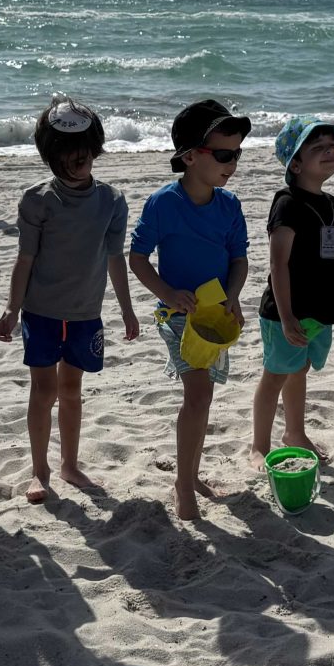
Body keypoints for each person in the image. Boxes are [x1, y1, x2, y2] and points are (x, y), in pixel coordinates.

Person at [0, 98, 141, 503]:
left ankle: (69, 464)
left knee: (72, 390)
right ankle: (40, 470)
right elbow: (25, 259)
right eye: (66, 156)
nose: (77, 163)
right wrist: (11, 308)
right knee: (43, 392)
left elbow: (116, 258)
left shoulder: (111, 201)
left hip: (85, 313)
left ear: (95, 149)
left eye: (84, 155)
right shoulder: (37, 200)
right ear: (49, 155)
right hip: (41, 312)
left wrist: (127, 309)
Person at [129, 99, 251, 520]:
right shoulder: (164, 203)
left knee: (204, 397)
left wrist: (233, 295)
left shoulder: (229, 204)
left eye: (236, 154)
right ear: (189, 156)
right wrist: (167, 292)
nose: (232, 162)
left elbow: (239, 258)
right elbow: (138, 258)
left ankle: (191, 474)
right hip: (177, 314)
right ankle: (184, 486)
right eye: (222, 154)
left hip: (215, 314)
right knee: (198, 395)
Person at [250, 116, 334, 461]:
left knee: (299, 369)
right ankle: (259, 446)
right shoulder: (287, 203)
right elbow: (277, 264)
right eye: (318, 148)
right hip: (287, 312)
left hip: (322, 311)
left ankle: (294, 432)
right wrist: (286, 318)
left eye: (333, 146)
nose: (330, 151)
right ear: (295, 163)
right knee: (275, 375)